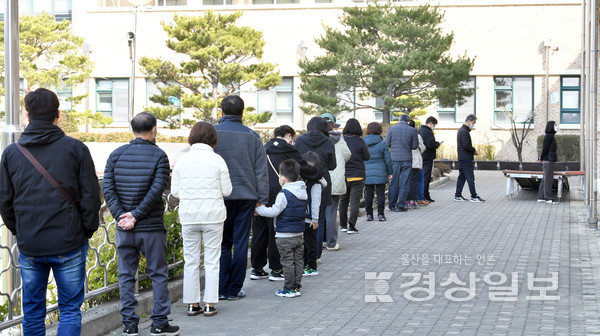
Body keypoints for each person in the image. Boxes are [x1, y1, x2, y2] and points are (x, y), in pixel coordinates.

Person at [0, 88, 101, 336]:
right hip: (69, 243)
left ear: (27, 116)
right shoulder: (76, 149)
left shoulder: (12, 153)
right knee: (69, 309)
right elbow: (91, 197)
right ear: (58, 114)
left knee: (33, 311)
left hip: (31, 244)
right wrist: (86, 230)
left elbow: (5, 201)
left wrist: (19, 231)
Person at [102, 111, 179, 335]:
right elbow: (157, 191)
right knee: (158, 273)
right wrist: (136, 215)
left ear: (132, 130)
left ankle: (129, 324)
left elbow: (108, 189)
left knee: (126, 275)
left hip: (124, 228)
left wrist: (121, 216)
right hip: (151, 227)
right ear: (154, 129)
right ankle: (159, 323)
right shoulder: (159, 156)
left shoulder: (115, 154)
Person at [171, 122, 232, 317]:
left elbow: (175, 191)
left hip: (189, 216)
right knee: (212, 260)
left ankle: (192, 304)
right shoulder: (218, 160)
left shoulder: (182, 160)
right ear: (213, 139)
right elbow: (227, 190)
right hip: (213, 216)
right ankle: (209, 304)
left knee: (190, 261)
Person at [214, 95, 269, 300]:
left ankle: (219, 288)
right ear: (242, 113)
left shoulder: (213, 133)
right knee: (241, 242)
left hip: (219, 196)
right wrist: (261, 198)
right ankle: (234, 289)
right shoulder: (252, 136)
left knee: (222, 242)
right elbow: (260, 170)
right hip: (246, 196)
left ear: (221, 112)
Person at [251, 125, 322, 281]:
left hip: (260, 192)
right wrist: (319, 172)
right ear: (288, 136)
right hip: (280, 193)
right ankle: (276, 269)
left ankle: (256, 269)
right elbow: (305, 169)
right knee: (276, 230)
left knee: (259, 230)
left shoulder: (262, 148)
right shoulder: (289, 150)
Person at [255, 160, 307, 298]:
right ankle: (296, 286)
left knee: (287, 262)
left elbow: (274, 211)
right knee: (298, 261)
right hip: (299, 234)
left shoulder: (283, 194)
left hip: (285, 235)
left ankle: (289, 288)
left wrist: (260, 210)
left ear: (282, 178)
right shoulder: (303, 192)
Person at [295, 117, 336, 265]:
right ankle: (316, 256)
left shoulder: (299, 141)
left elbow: (295, 161)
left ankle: (304, 255)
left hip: (302, 182)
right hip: (322, 182)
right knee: (319, 219)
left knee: (302, 218)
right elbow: (332, 166)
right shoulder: (328, 142)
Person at [322, 113, 350, 250]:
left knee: (317, 211)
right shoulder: (339, 138)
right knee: (331, 212)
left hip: (319, 179)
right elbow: (347, 154)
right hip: (335, 179)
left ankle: (319, 240)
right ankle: (331, 243)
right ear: (333, 124)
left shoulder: (314, 138)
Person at [339, 118, 370, 233]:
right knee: (354, 202)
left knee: (343, 201)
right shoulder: (360, 141)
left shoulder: (340, 140)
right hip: (358, 175)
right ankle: (351, 226)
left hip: (344, 175)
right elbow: (367, 157)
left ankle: (343, 226)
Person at [385, 114, 419, 212]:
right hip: (407, 160)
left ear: (399, 120)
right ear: (408, 121)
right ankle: (401, 205)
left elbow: (387, 144)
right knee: (405, 183)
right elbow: (415, 146)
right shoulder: (412, 130)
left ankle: (391, 204)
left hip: (394, 159)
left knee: (394, 182)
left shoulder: (392, 129)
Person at [301, 151, 326, 276]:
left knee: (311, 243)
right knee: (306, 243)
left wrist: (315, 219)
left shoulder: (315, 184)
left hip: (311, 218)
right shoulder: (306, 181)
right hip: (306, 217)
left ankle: (312, 267)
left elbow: (316, 202)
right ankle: (306, 265)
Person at [364, 122, 393, 221]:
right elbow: (388, 160)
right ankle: (380, 215)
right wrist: (390, 172)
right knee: (380, 193)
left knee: (368, 193)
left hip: (367, 171)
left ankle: (369, 215)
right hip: (380, 171)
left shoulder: (363, 142)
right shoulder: (382, 143)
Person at [454, 114, 485, 203]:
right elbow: (466, 145)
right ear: (468, 121)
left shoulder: (463, 131)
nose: (473, 125)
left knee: (462, 177)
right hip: (465, 158)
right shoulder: (463, 131)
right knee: (470, 177)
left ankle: (458, 195)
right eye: (473, 123)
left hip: (463, 158)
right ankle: (474, 196)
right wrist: (474, 150)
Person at [419, 116, 441, 203]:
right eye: (434, 125)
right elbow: (430, 144)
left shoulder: (420, 130)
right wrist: (437, 144)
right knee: (426, 177)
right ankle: (425, 195)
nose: (434, 126)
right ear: (431, 123)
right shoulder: (428, 132)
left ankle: (423, 195)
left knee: (422, 177)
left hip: (421, 156)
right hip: (428, 157)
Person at [537, 121, 559, 204]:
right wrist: (541, 157)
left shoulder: (550, 136)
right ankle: (548, 198)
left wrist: (541, 157)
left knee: (545, 179)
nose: (556, 127)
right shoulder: (549, 136)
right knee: (548, 179)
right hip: (548, 160)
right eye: (555, 125)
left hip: (548, 160)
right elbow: (545, 148)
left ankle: (541, 197)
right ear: (551, 126)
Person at [407, 119, 426, 210]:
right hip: (415, 162)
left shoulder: (403, 135)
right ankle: (413, 202)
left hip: (404, 162)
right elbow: (422, 148)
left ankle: (405, 201)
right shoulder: (417, 136)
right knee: (414, 182)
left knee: (405, 182)